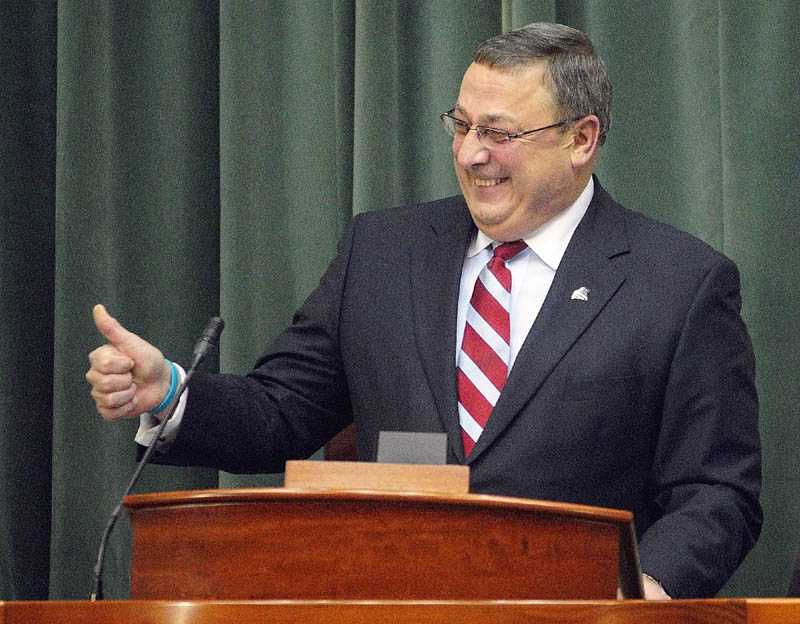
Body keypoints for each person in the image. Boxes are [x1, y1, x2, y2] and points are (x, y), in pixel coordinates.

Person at [86, 23, 761, 599]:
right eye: (461, 125)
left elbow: (716, 492)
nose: (470, 154)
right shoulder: (382, 253)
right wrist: (171, 391)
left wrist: (645, 590)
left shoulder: (679, 284)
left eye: (499, 134)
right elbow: (281, 413)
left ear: (581, 140)